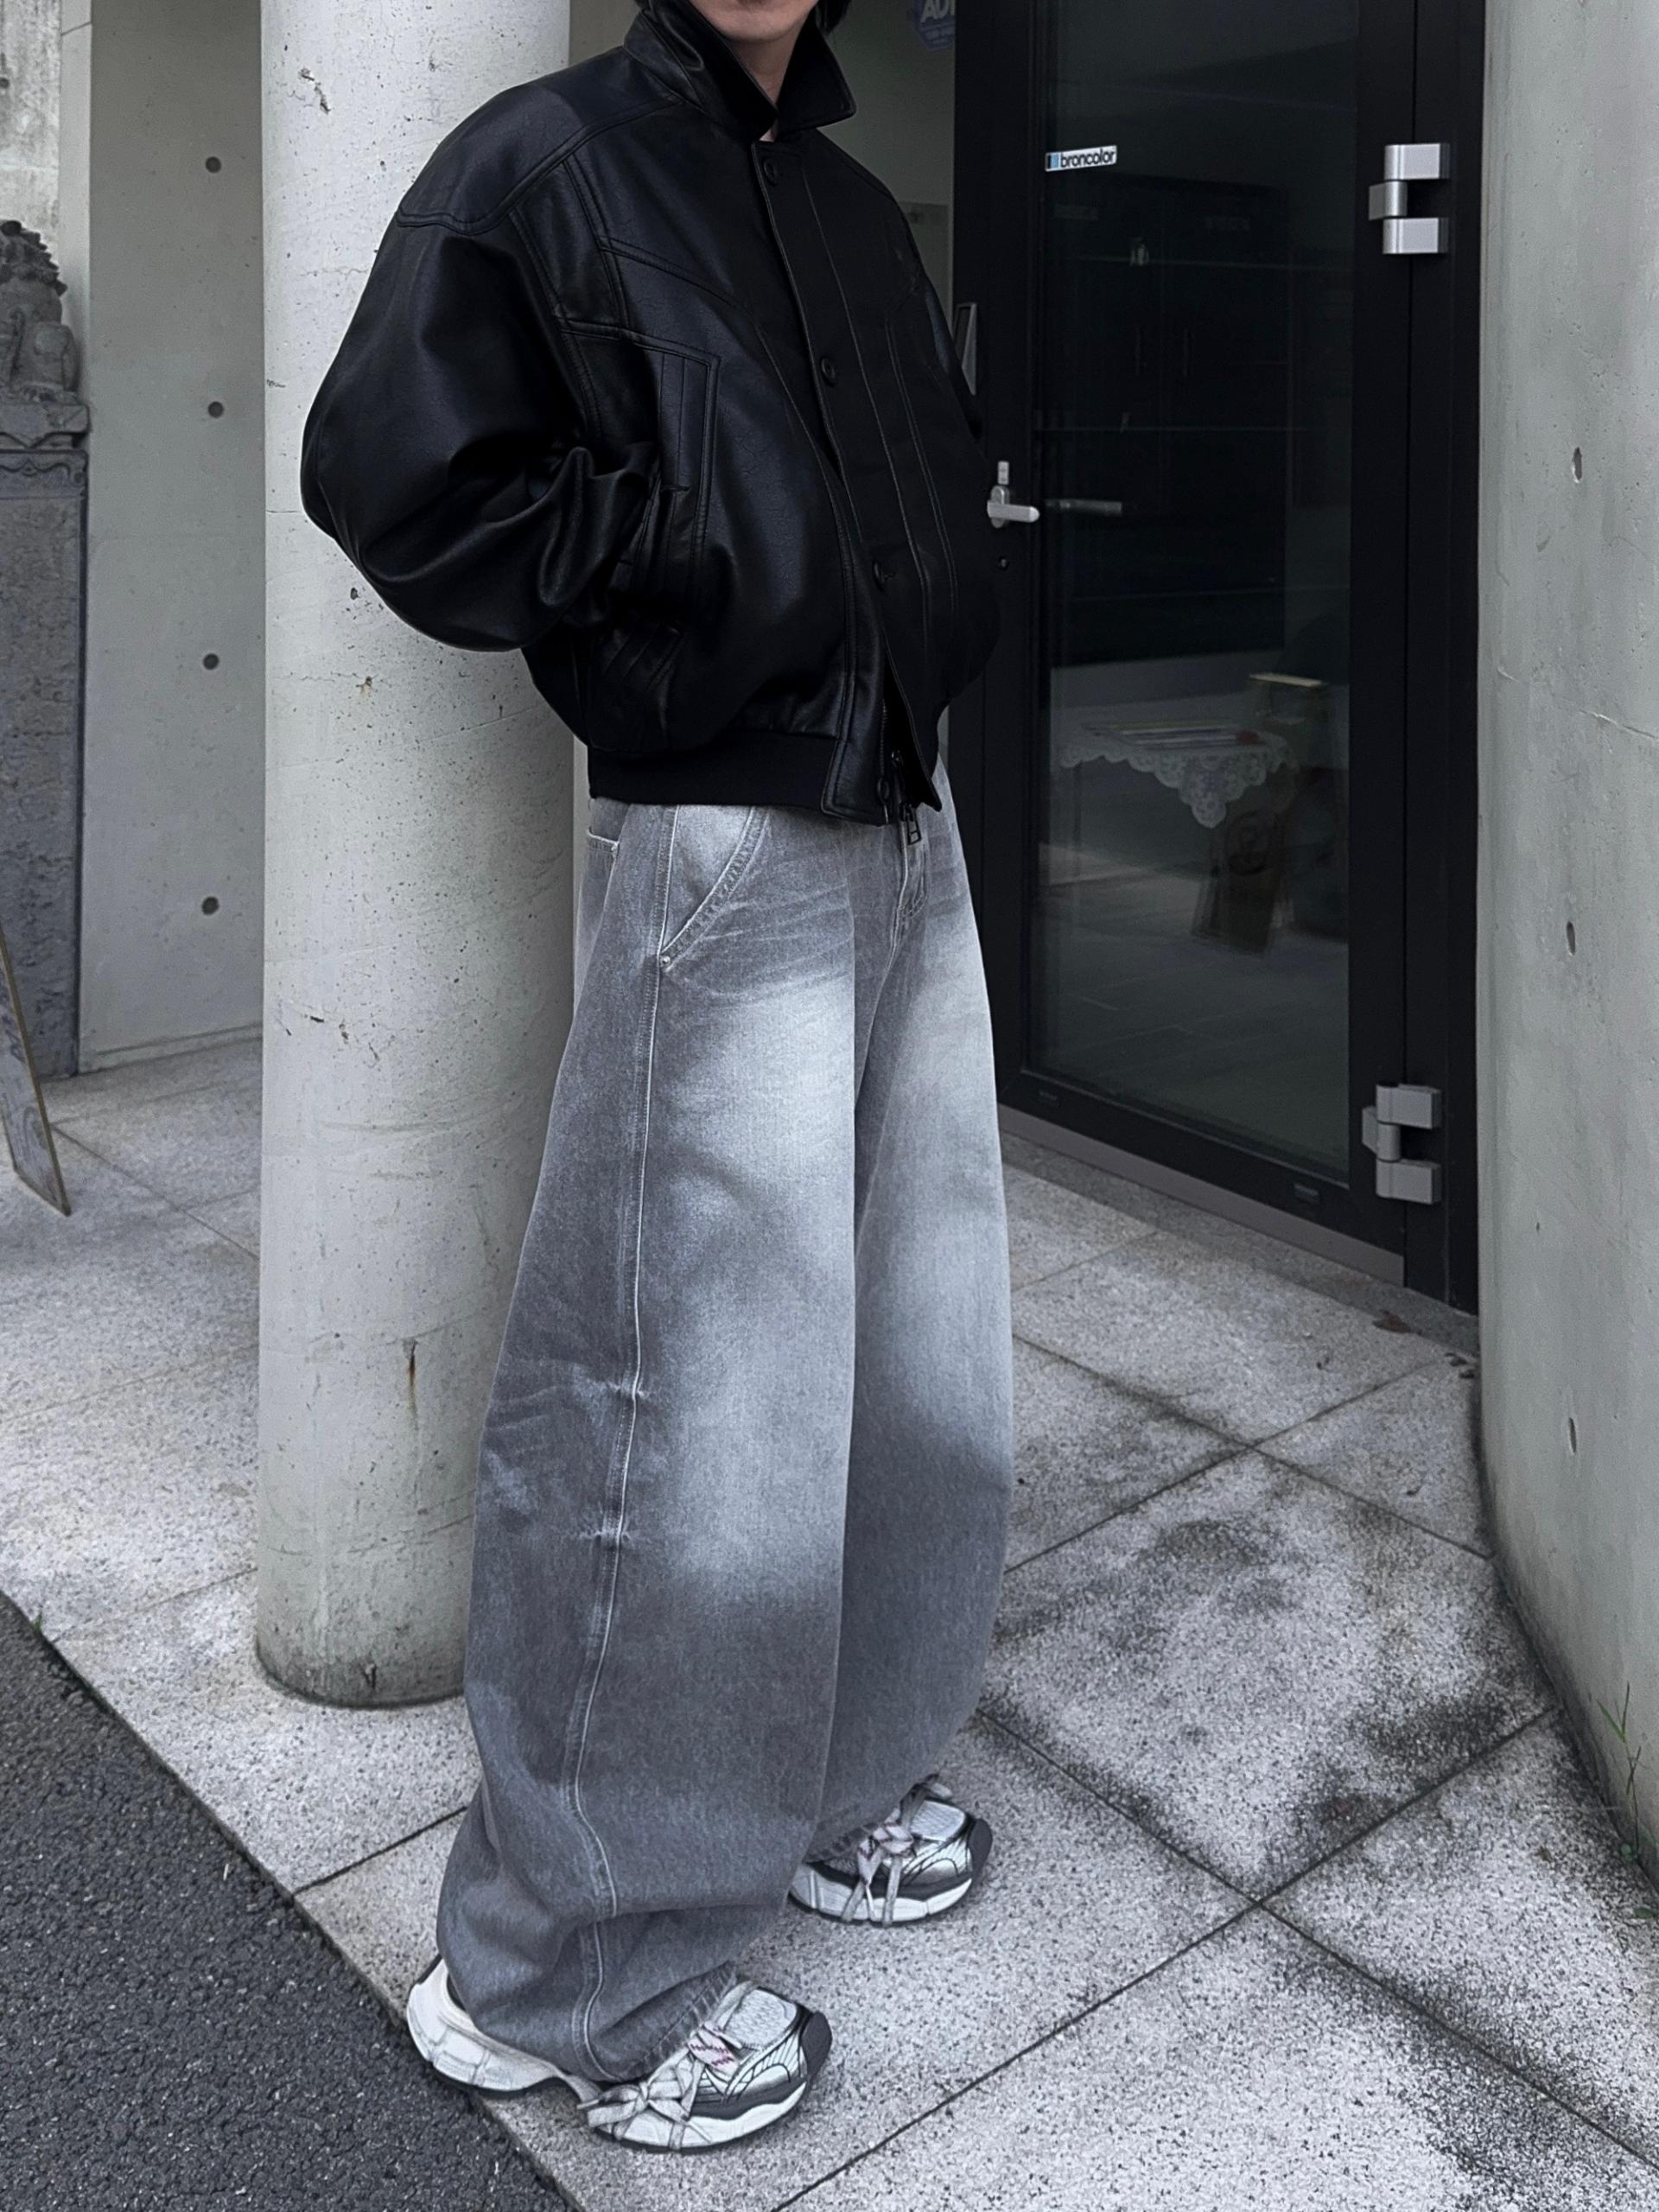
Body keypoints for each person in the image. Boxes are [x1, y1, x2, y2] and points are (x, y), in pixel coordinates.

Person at [300, 0, 1012, 2155]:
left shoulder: (845, 199)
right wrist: (677, 556)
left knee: (898, 1356)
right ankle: (559, 1969)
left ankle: (820, 1774)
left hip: (902, 806)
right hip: (724, 827)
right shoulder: (551, 163)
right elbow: (392, 467)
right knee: (668, 1405)